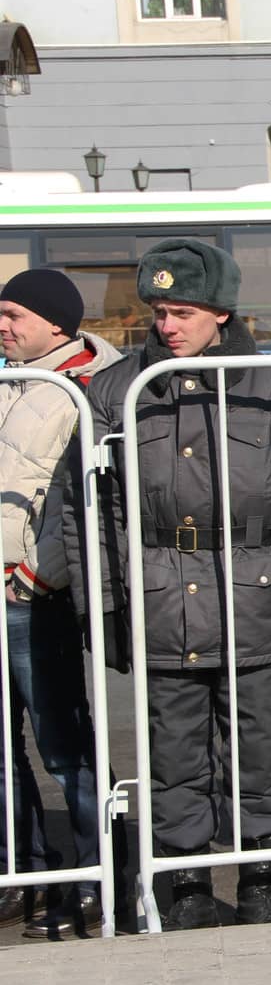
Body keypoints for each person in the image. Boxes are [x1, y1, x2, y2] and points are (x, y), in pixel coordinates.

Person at [64, 238, 271, 926]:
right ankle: (187, 884)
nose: (169, 326)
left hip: (257, 600)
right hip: (161, 601)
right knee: (173, 751)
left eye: (184, 311)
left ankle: (260, 882)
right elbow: (84, 509)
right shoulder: (115, 390)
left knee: (263, 748)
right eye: (160, 311)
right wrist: (103, 604)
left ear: (221, 313)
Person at [0, 269, 123, 936]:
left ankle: (96, 875)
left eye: (14, 314)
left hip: (29, 596)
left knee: (61, 745)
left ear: (55, 322)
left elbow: (73, 498)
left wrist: (37, 575)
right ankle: (22, 873)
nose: (2, 324)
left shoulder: (78, 385)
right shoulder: (13, 379)